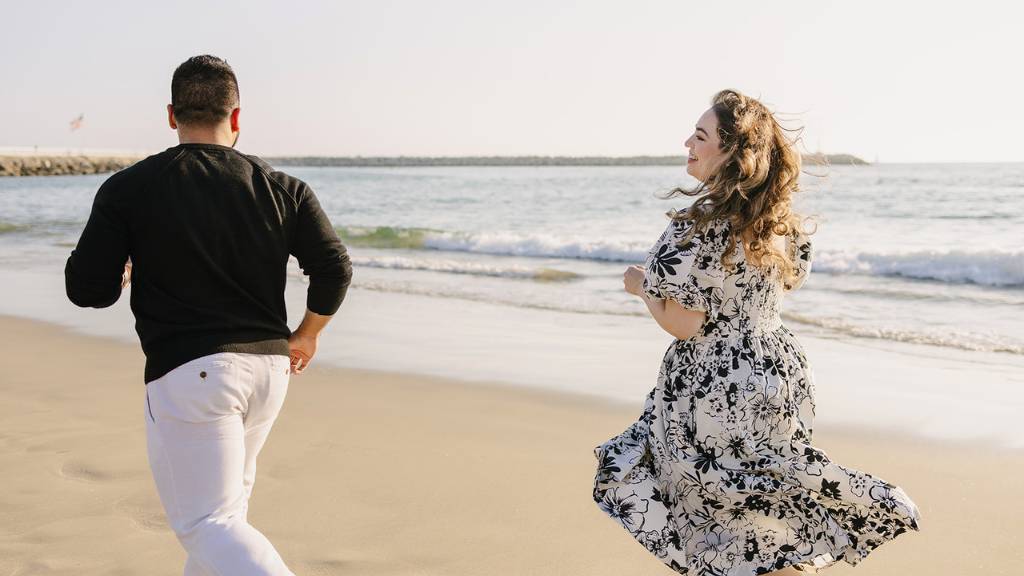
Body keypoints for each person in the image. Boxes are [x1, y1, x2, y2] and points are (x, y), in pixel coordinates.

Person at [592, 89, 920, 574]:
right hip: (776, 372)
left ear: (732, 155)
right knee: (763, 501)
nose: (688, 142)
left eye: (701, 136)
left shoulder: (699, 227)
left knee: (684, 495)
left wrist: (644, 288)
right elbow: (781, 286)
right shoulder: (781, 226)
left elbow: (684, 325)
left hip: (715, 385)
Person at [65, 54, 352, 575]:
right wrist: (306, 337)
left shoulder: (130, 187)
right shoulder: (283, 187)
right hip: (269, 370)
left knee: (208, 526)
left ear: (171, 115)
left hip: (192, 375)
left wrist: (122, 271)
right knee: (226, 521)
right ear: (236, 117)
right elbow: (334, 268)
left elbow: (87, 291)